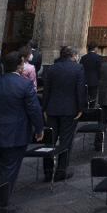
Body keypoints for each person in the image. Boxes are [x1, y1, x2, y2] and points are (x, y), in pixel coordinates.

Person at [0, 51, 44, 213]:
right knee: (9, 170)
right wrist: (39, 128)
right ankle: (1, 208)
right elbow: (34, 109)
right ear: (20, 66)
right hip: (15, 134)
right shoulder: (24, 85)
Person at [41, 45, 86, 182]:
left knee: (50, 141)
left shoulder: (51, 68)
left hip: (52, 109)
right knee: (66, 140)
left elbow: (46, 90)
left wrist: (44, 108)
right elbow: (80, 90)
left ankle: (48, 171)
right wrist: (81, 108)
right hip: (70, 109)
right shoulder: (78, 68)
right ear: (73, 56)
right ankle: (61, 170)